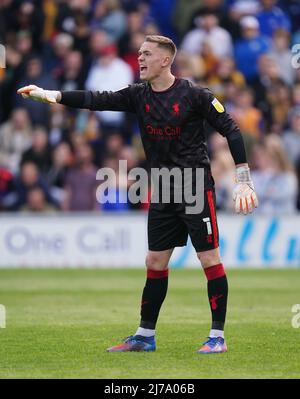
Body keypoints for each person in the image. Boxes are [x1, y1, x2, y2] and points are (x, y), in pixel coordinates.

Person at [17, 34, 258, 354]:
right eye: (139, 53)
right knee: (155, 260)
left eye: (147, 54)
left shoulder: (195, 95)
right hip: (162, 186)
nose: (140, 59)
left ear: (165, 60)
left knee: (208, 258)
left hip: (195, 187)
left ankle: (217, 337)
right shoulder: (137, 95)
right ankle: (145, 335)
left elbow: (232, 129)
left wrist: (243, 178)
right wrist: (51, 95)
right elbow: (96, 99)